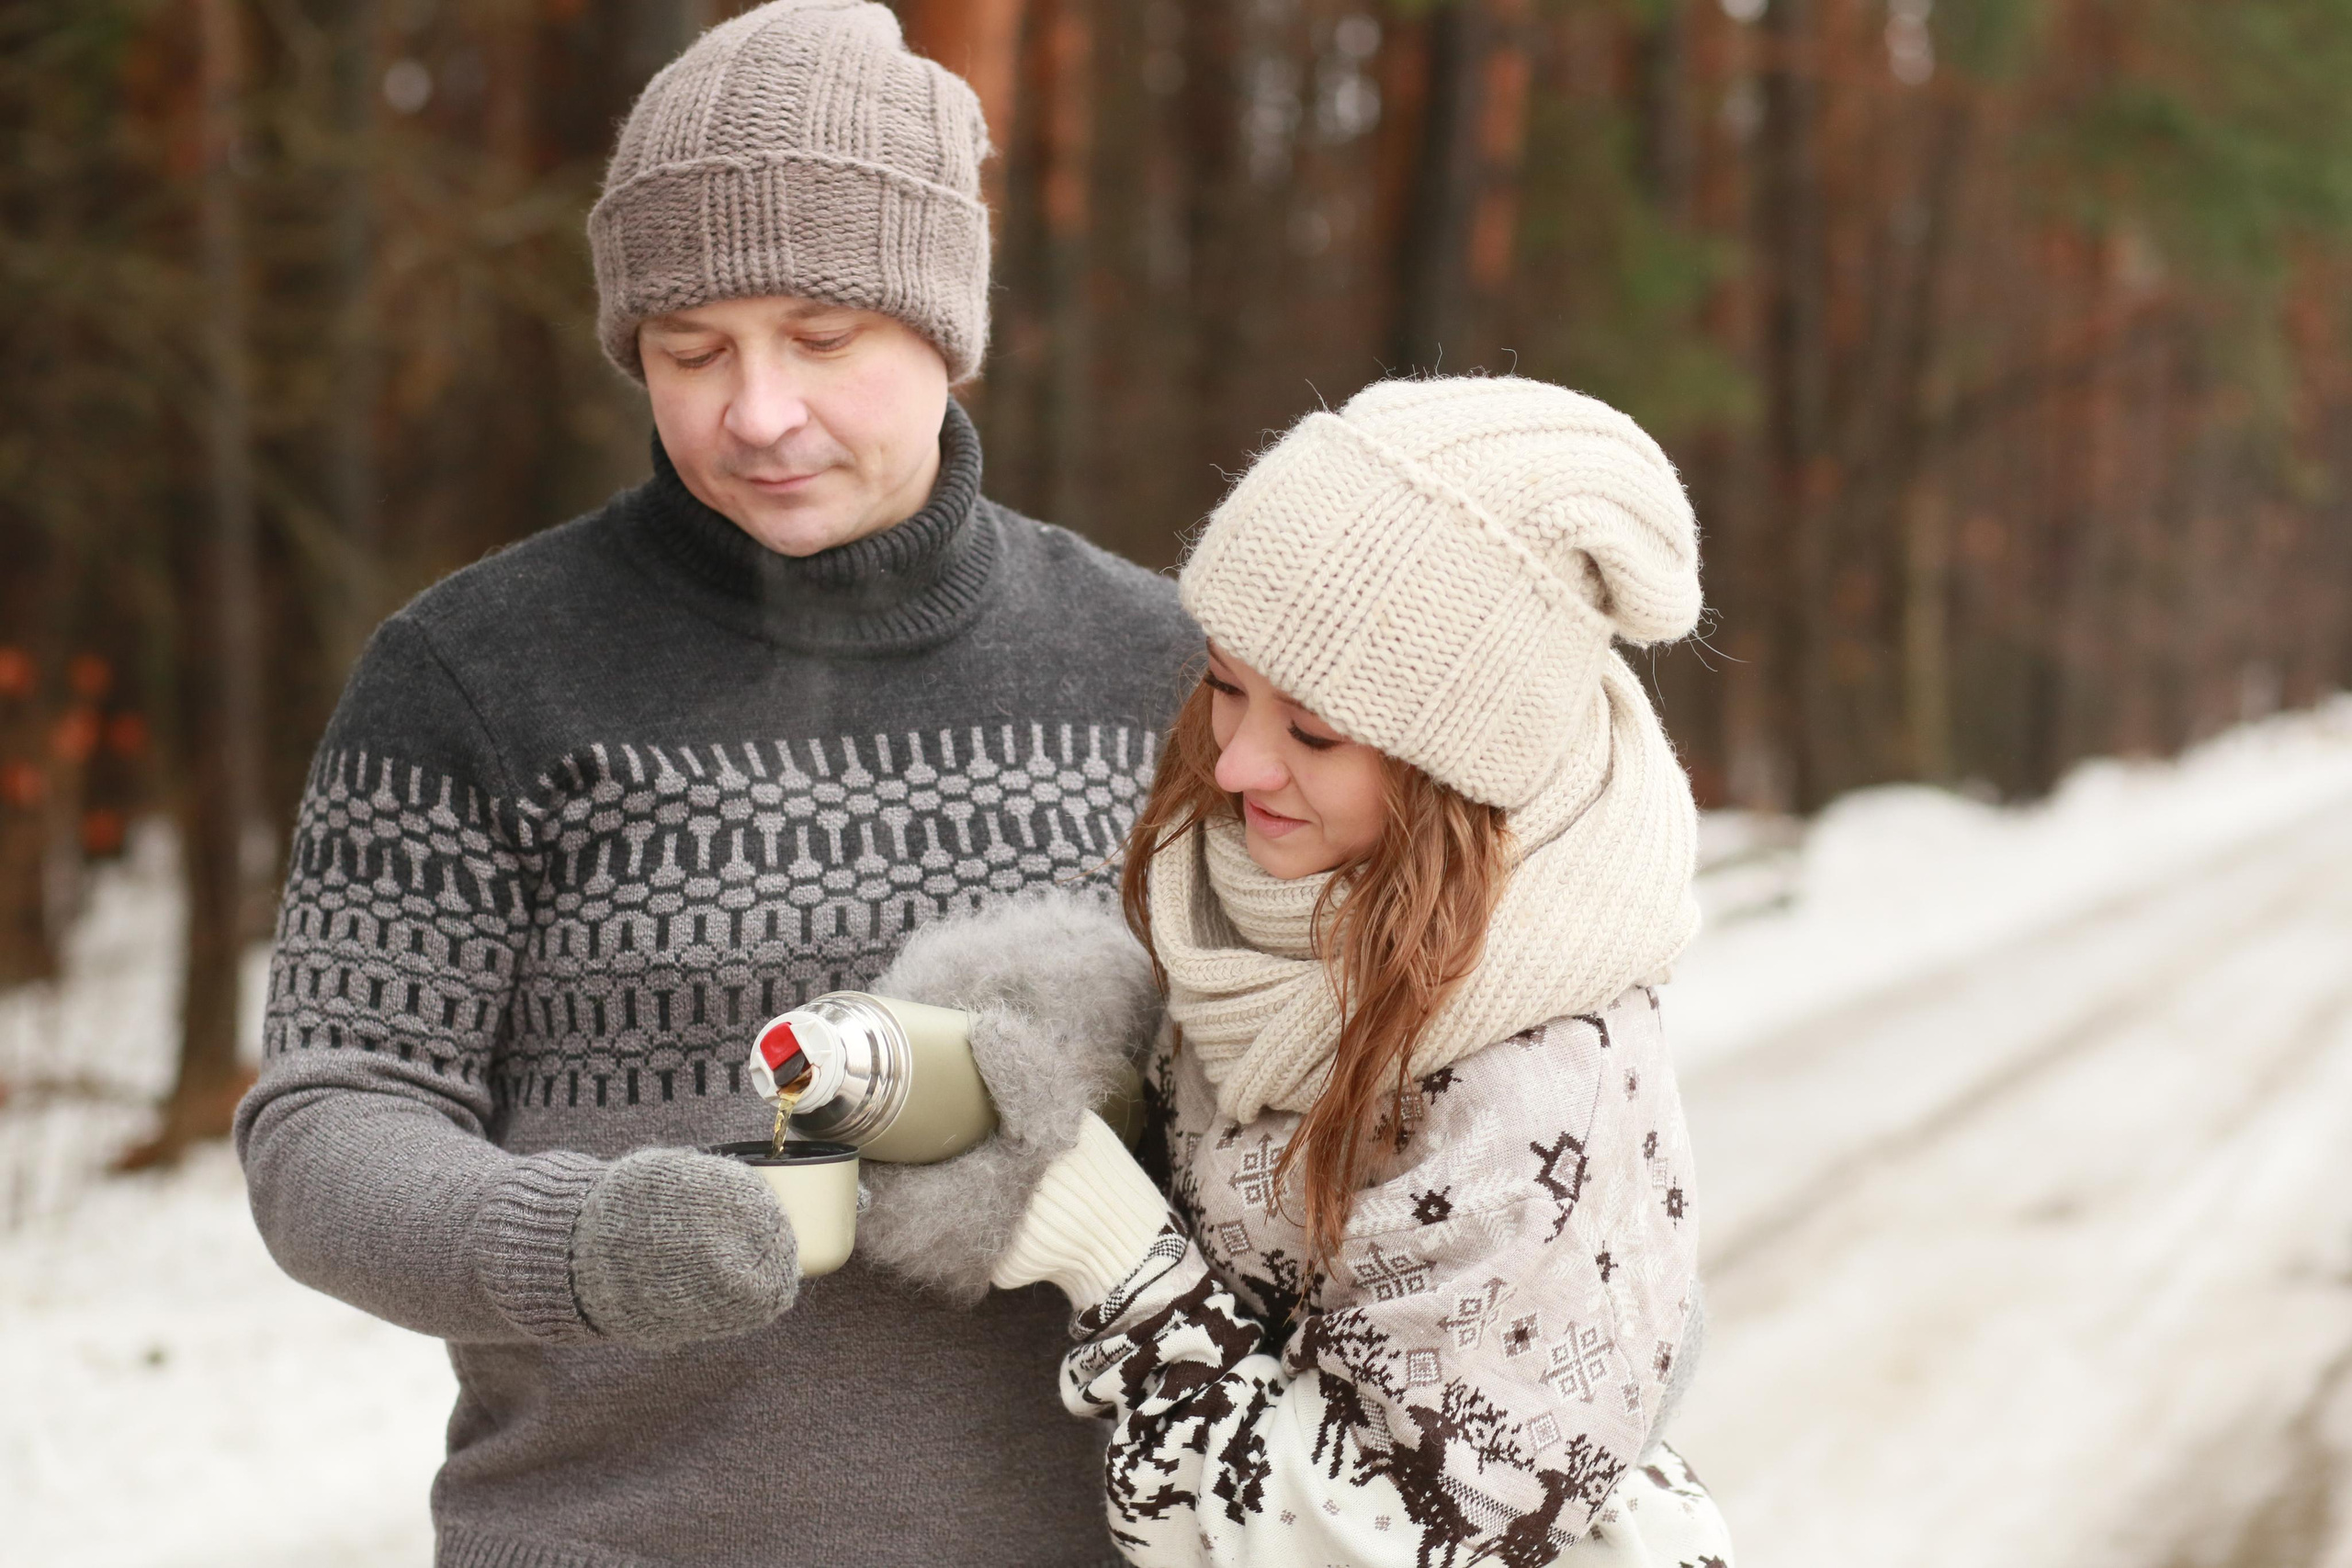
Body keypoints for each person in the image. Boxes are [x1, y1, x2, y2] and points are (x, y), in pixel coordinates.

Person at [233, 4, 1194, 1565]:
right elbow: (330, 1122)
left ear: (944, 326)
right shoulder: (471, 677)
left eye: (821, 338)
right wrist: (579, 1243)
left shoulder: (1160, 670)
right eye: (692, 352)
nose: (757, 412)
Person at [887, 375, 1737, 1564]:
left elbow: (1380, 1537)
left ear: (1462, 764)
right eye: (1224, 685)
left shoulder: (1532, 1084)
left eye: (1315, 732)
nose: (1236, 764)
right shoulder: (1281, 908)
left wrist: (1120, 1262)